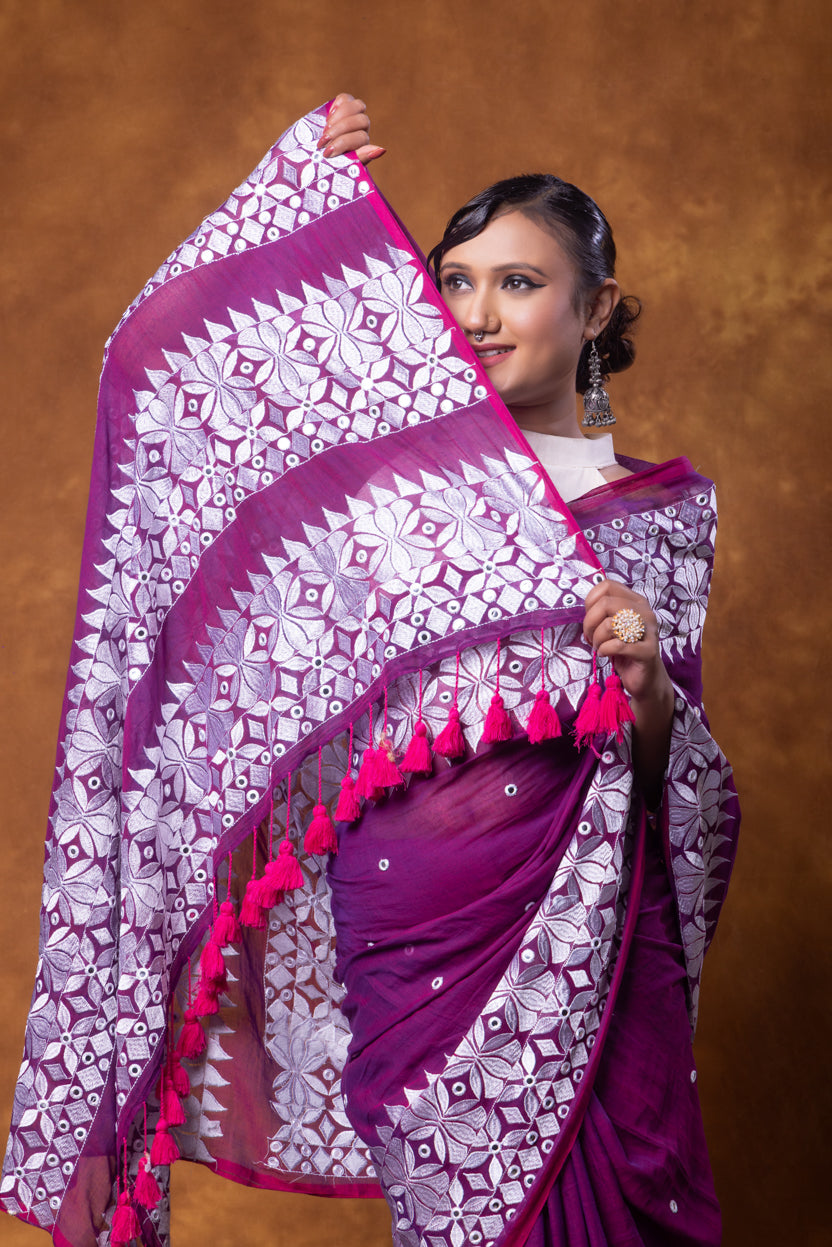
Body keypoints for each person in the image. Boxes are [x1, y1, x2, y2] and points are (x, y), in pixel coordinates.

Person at [1, 94, 738, 1247]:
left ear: (594, 308)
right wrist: (289, 187)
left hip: (587, 947)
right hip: (407, 933)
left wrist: (644, 678)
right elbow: (154, 367)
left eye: (519, 283)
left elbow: (677, 782)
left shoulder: (660, 513)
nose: (480, 315)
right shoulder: (386, 508)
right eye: (454, 281)